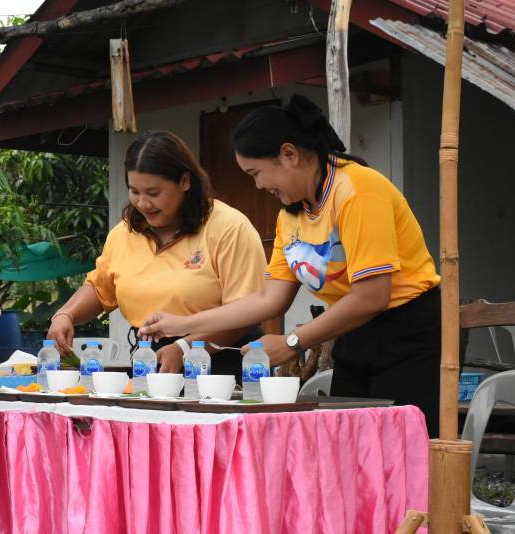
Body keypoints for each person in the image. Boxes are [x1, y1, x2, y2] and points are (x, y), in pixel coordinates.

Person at [140, 95, 442, 437]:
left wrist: (292, 342)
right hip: (354, 333)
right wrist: (182, 325)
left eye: (256, 173)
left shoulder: (357, 190)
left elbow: (372, 296)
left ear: (289, 154)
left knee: (400, 448)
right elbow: (267, 300)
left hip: (408, 333)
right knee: (353, 448)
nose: (258, 186)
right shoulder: (290, 216)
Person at [47, 130, 267, 380]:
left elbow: (247, 313)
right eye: (134, 191)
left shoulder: (229, 228)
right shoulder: (123, 233)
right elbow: (100, 289)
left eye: (153, 193)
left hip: (223, 364)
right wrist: (65, 315)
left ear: (185, 182)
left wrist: (184, 348)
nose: (143, 203)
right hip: (151, 360)